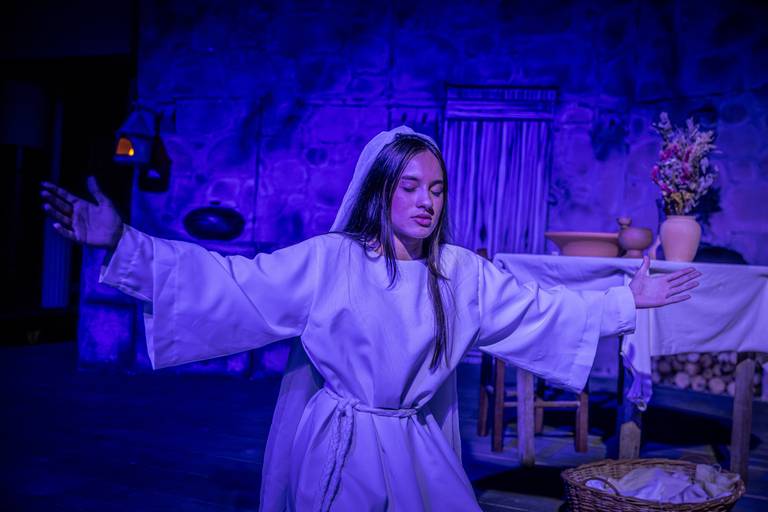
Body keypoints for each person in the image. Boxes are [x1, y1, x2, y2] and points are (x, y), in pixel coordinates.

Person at [41, 126, 700, 511]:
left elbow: (536, 310)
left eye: (436, 189)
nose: (426, 202)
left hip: (415, 445)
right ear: (379, 191)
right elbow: (234, 284)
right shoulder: (331, 261)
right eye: (409, 187)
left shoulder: (458, 273)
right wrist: (122, 244)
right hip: (340, 444)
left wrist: (625, 302)